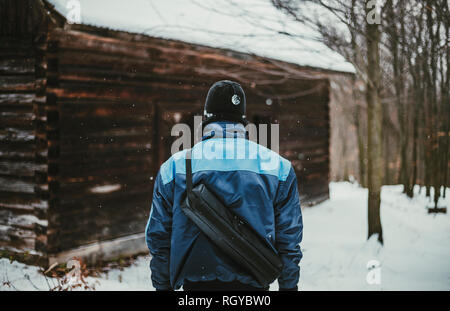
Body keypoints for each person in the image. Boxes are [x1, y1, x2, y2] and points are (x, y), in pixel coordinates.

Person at [145, 80, 303, 291]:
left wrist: (163, 286)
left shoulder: (174, 167)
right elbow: (289, 239)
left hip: (195, 288)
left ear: (207, 117)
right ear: (243, 119)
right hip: (254, 286)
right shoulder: (278, 167)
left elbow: (159, 237)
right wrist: (289, 287)